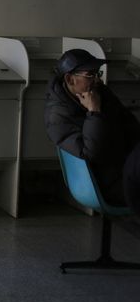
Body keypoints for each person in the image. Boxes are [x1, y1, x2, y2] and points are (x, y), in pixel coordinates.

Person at [45, 48, 140, 215]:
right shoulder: (58, 115)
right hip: (107, 183)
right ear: (70, 79)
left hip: (127, 168)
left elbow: (132, 127)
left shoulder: (100, 93)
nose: (97, 80)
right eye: (90, 75)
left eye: (98, 73)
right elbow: (92, 153)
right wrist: (94, 112)